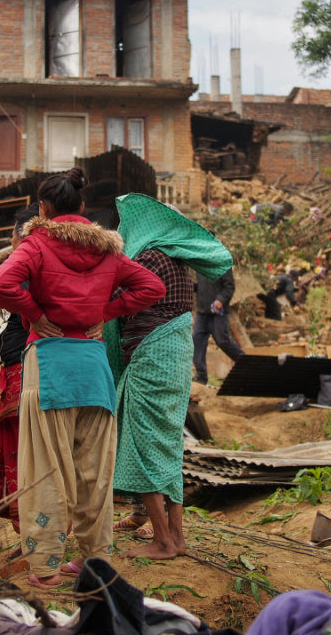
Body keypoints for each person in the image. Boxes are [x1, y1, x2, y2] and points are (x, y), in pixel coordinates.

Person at [0, 168, 165, 589]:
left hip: (50, 367)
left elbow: (0, 282)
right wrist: (105, 313)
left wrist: (36, 315)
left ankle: (46, 568)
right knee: (95, 474)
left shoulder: (37, 243)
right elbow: (151, 287)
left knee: (46, 471)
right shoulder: (108, 251)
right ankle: (95, 563)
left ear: (44, 208)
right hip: (94, 367)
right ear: (83, 208)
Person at [105, 194, 232, 560]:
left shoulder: (147, 257)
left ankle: (162, 540)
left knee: (143, 446)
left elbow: (119, 299)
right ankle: (176, 536)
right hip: (175, 360)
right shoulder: (178, 261)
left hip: (150, 360)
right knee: (168, 446)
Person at [0, 204, 39, 532]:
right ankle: (32, 526)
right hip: (24, 365)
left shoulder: (28, 263)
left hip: (24, 368)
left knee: (22, 446)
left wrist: (33, 318)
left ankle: (31, 526)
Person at [193, 268, 244, 384]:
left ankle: (246, 363)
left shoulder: (221, 264)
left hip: (218, 312)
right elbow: (201, 287)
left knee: (222, 341)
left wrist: (220, 300)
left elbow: (229, 286)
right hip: (202, 311)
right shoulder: (200, 265)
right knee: (197, 341)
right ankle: (201, 376)